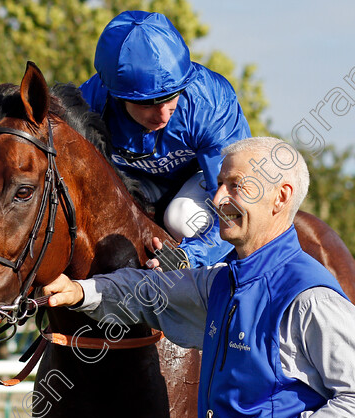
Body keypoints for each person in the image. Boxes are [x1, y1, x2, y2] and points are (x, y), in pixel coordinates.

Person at [42, 137, 355, 418]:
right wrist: (81, 290)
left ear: (280, 197)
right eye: (220, 184)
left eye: (235, 186)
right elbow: (150, 291)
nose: (218, 199)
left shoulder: (313, 300)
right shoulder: (221, 282)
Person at [80, 10, 251, 268]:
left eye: (172, 96)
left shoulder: (210, 104)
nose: (163, 114)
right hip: (135, 184)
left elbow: (238, 197)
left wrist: (188, 256)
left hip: (203, 180)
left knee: (181, 217)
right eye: (147, 103)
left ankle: (216, 294)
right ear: (116, 95)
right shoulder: (89, 105)